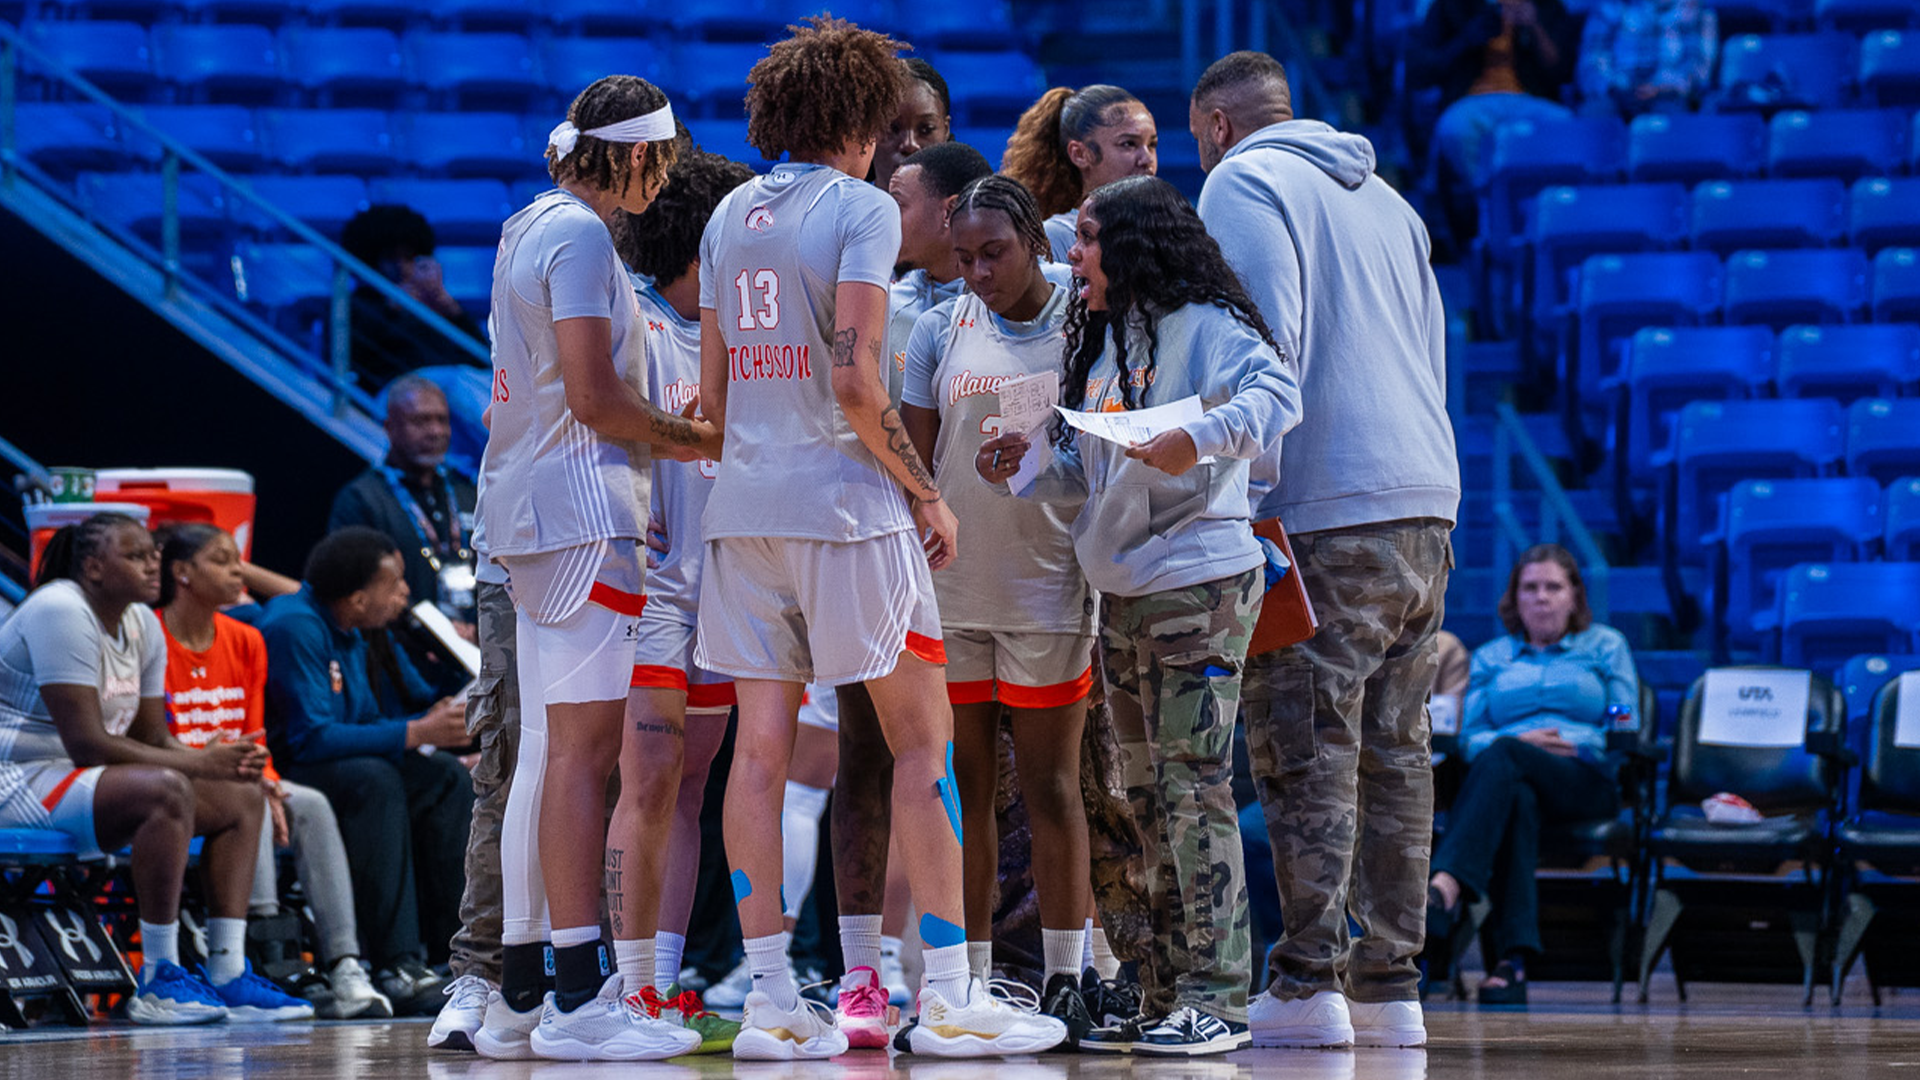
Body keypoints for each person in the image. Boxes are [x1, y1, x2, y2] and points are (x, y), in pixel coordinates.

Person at [694, 16, 1065, 1059]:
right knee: (923, 744)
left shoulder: (728, 212)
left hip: (743, 513)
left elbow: (715, 401)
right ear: (861, 115)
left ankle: (770, 999)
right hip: (847, 512)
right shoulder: (856, 208)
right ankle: (947, 996)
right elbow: (857, 377)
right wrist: (924, 493)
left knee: (759, 757)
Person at [978, 174, 1300, 1056]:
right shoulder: (1108, 339)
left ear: (1131, 244)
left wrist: (1199, 437)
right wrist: (1026, 459)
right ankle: (1162, 988)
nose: (1070, 256)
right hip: (1122, 589)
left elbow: (1279, 397)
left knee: (1194, 785)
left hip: (1200, 582)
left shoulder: (1209, 323)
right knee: (1149, 792)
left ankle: (1218, 997)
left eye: (1084, 239)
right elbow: (1093, 467)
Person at [1188, 51, 1459, 1050]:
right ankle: (1392, 989)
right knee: (1398, 752)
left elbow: (1268, 350)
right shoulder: (1391, 202)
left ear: (1214, 125)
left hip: (1327, 507)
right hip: (1427, 502)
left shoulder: (1243, 182)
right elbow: (1433, 355)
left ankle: (1309, 981)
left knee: (1304, 749)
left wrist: (1241, 499)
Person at [470, 72, 721, 1064]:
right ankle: (580, 998)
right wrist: (698, 440)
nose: (665, 181)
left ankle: (524, 989)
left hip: (535, 512)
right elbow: (595, 398)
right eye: (663, 159)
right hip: (580, 515)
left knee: (547, 755)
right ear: (634, 154)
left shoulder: (527, 222)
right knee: (580, 757)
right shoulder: (578, 235)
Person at [901, 172, 1099, 1038]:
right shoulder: (938, 329)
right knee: (968, 792)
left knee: (1055, 791)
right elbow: (911, 467)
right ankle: (970, 982)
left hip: (1051, 586)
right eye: (966, 257)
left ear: (1036, 244)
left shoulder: (1086, 322)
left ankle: (1068, 976)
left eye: (996, 254)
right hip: (953, 590)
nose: (979, 272)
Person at [0, 513, 307, 1025]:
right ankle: (159, 977)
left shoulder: (143, 621)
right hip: (19, 778)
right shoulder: (59, 609)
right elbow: (87, 744)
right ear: (95, 568)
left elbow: (150, 736)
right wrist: (194, 763)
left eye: (153, 555)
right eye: (136, 556)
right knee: (165, 790)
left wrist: (217, 759)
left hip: (77, 778)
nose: (152, 566)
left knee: (243, 796)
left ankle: (228, 972)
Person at [602, 148, 758, 1055]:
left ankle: (662, 981)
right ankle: (627, 986)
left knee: (691, 789)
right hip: (653, 593)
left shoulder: (728, 330)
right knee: (649, 784)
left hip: (722, 587)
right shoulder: (635, 322)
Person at [157, 524, 392, 1021]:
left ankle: (346, 965)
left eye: (235, 558)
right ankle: (266, 952)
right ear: (181, 573)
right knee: (248, 803)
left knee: (309, 803)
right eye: (220, 560)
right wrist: (238, 775)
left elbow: (255, 733)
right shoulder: (152, 637)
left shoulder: (246, 640)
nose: (236, 570)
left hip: (242, 774)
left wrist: (263, 775)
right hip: (178, 778)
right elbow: (153, 736)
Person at [258, 526, 473, 1016]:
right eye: (394, 583)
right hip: (291, 774)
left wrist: (427, 729)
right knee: (374, 781)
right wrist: (416, 732)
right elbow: (309, 738)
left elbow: (363, 721)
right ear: (357, 598)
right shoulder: (296, 627)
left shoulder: (351, 628)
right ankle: (394, 963)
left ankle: (452, 957)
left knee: (444, 777)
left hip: (343, 764)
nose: (404, 594)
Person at [1429, 546, 1637, 1006]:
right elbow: (1470, 736)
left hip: (1582, 778)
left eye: (1553, 587)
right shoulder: (1491, 657)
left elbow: (1625, 724)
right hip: (1509, 778)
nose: (1541, 598)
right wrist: (1520, 747)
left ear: (1574, 596)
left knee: (1507, 753)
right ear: (1515, 599)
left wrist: (1582, 744)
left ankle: (1445, 886)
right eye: (1531, 588)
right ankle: (1512, 963)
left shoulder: (1606, 646)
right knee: (1516, 791)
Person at [328, 375, 477, 694]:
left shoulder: (468, 492)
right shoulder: (361, 499)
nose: (435, 431)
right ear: (390, 427)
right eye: (421, 421)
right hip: (400, 670)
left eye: (442, 420)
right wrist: (434, 634)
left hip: (478, 661)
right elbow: (354, 595)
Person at [1411, 0, 1579, 235]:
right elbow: (1422, 70)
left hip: (1530, 100)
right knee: (1454, 129)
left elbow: (1563, 73)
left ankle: (1553, 211)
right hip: (1472, 102)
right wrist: (1468, 39)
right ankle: (1492, 201)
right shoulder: (1450, 5)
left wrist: (1534, 26)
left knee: (1571, 129)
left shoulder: (1547, 7)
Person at [1002, 84, 1159, 264]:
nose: (1147, 159)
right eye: (1128, 144)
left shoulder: (1163, 232)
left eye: (1152, 145)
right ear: (1080, 154)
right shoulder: (1056, 238)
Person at [339, 204, 489, 386]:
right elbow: (353, 362)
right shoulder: (357, 305)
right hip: (395, 394)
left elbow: (483, 360)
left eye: (408, 258)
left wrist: (452, 310)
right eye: (391, 258)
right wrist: (391, 311)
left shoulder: (435, 303)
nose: (401, 267)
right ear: (371, 261)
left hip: (451, 392)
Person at [1576, 0, 1718, 117]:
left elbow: (1699, 71)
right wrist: (1616, 88)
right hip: (1615, 92)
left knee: (1675, 121)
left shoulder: (1698, 9)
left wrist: (1662, 88)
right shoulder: (1609, 5)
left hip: (1669, 94)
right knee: (1594, 115)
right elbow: (1591, 62)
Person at [872, 57, 953, 191]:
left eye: (926, 129)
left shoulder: (971, 210)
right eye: (892, 129)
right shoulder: (845, 210)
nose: (910, 145)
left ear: (946, 130)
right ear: (868, 133)